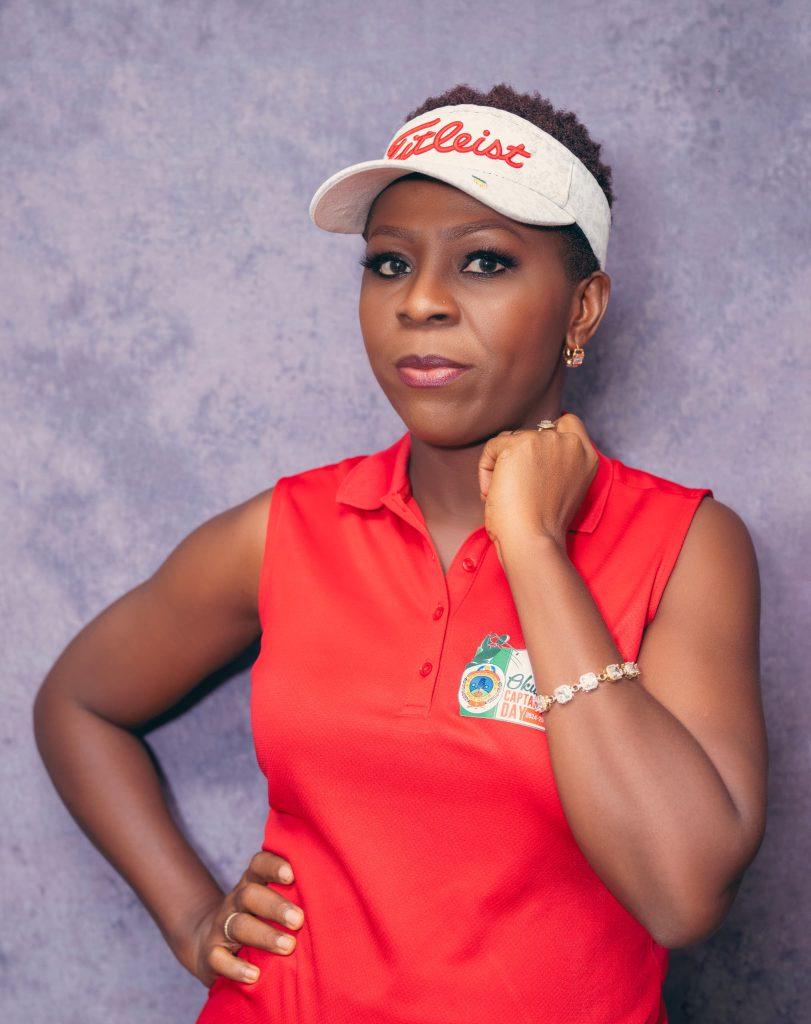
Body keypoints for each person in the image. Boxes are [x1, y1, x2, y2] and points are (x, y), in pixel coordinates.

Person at [33, 82, 767, 1024]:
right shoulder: (287, 530)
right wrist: (189, 917)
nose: (419, 301)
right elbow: (79, 703)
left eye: (484, 262)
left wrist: (534, 549)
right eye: (388, 264)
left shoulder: (684, 543)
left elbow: (681, 893)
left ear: (581, 310)